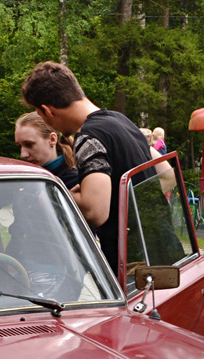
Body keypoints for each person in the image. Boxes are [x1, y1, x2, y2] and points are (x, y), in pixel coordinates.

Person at [20, 61, 156, 268]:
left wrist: (54, 194)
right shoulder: (121, 121)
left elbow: (95, 212)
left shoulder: (89, 137)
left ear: (46, 111)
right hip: (159, 252)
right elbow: (165, 174)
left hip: (131, 265)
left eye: (41, 117)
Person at [14, 111, 79, 189]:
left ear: (52, 139)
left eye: (29, 145)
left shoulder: (74, 182)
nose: (23, 154)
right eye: (19, 146)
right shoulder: (24, 180)